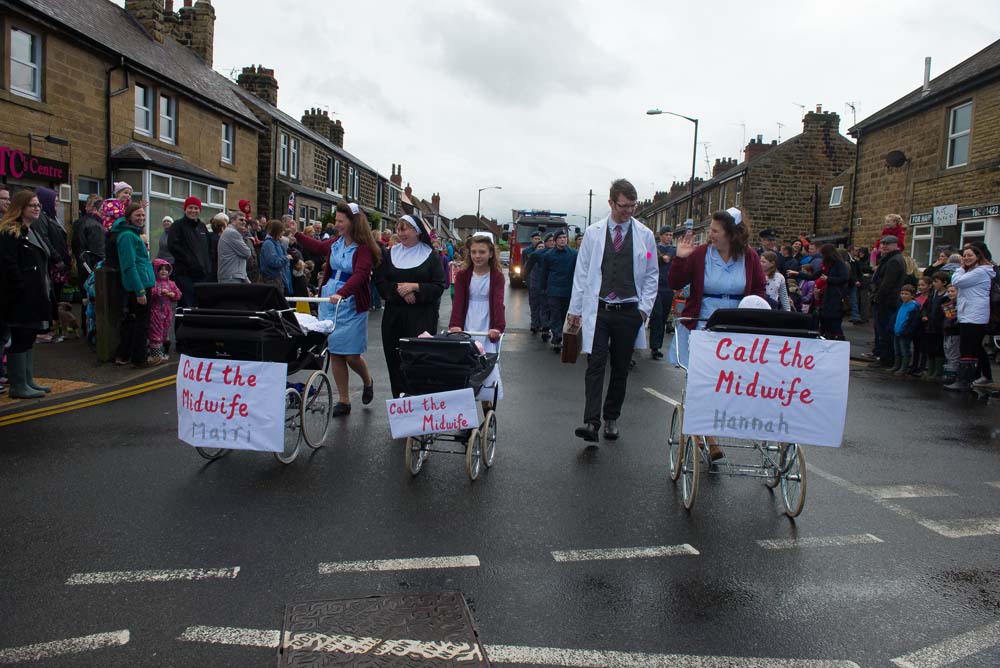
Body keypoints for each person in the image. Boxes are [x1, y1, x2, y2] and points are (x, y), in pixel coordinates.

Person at [668, 207, 766, 459]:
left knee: (730, 383)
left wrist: (755, 317)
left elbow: (758, 290)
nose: (710, 234)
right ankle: (709, 435)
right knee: (703, 381)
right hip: (703, 323)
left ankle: (711, 427)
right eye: (710, 230)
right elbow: (674, 283)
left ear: (732, 234)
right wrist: (680, 258)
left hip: (736, 326)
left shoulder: (750, 257)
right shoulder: (700, 254)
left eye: (715, 231)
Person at [567, 179, 658, 443]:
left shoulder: (645, 236)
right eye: (623, 206)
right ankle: (591, 422)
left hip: (629, 310)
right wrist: (575, 310)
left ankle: (611, 418)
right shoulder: (594, 234)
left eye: (633, 206)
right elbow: (582, 273)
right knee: (595, 364)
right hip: (600, 308)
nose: (629, 211)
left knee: (620, 367)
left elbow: (652, 274)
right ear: (610, 203)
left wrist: (643, 310)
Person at [297, 202, 380, 415]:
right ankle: (344, 400)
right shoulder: (335, 243)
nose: (336, 225)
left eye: (340, 221)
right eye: (336, 221)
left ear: (353, 223)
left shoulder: (363, 249)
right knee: (335, 352)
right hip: (330, 301)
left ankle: (367, 380)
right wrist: (297, 235)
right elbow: (317, 247)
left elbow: (361, 275)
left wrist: (342, 293)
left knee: (351, 355)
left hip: (350, 302)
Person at [374, 213, 447, 398]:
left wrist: (415, 287)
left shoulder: (430, 255)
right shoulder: (391, 254)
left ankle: (419, 405)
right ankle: (400, 404)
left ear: (416, 231)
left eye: (404, 228)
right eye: (398, 229)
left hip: (421, 317)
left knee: (419, 362)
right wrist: (401, 291)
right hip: (394, 317)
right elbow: (380, 282)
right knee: (395, 361)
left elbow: (439, 285)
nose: (400, 233)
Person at [0, 190, 52, 398]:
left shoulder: (30, 231)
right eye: (32, 205)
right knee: (20, 337)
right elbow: (8, 264)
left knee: (29, 336)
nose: (37, 208)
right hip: (20, 296)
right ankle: (18, 385)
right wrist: (21, 286)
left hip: (34, 293)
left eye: (38, 205)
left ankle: (28, 380)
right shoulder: (9, 232)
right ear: (20, 208)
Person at [449, 232, 506, 411]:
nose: (477, 256)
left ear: (490, 253)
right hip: (467, 320)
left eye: (482, 252)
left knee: (485, 365)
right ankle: (465, 415)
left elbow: (498, 302)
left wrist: (497, 327)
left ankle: (487, 408)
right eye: (474, 252)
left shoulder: (496, 276)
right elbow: (458, 301)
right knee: (465, 366)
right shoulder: (464, 275)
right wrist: (455, 324)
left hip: (487, 323)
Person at [112, 203, 159, 368]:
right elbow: (129, 265)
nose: (141, 218)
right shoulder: (127, 236)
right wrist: (140, 291)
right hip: (138, 285)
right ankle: (140, 358)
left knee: (134, 322)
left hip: (141, 282)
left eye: (143, 215)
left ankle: (126, 355)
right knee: (141, 323)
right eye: (137, 215)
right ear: (129, 217)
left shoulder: (133, 234)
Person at [945, 244, 995, 390]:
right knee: (975, 347)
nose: (966, 258)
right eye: (965, 256)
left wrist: (960, 268)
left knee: (968, 348)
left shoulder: (980, 272)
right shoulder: (973, 271)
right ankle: (982, 376)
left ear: (978, 257)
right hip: (968, 314)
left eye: (970, 255)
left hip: (975, 315)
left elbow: (957, 281)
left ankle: (964, 381)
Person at [34, 187, 71, 343]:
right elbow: (45, 240)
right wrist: (57, 258)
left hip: (58, 265)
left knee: (55, 297)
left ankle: (54, 328)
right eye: (54, 202)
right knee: (50, 297)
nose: (57, 205)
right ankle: (46, 330)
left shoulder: (51, 217)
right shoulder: (42, 218)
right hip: (53, 265)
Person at [168, 196, 214, 307]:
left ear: (200, 210)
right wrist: (189, 261)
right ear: (185, 209)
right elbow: (173, 246)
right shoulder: (177, 226)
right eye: (190, 207)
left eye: (196, 208)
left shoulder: (202, 227)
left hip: (202, 276)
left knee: (200, 306)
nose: (193, 211)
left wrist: (208, 268)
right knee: (186, 306)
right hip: (185, 275)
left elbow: (209, 248)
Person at [869, 235, 907, 368]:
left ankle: (886, 360)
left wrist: (877, 297)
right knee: (882, 331)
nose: (884, 246)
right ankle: (883, 357)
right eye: (882, 243)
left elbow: (887, 284)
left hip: (887, 301)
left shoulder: (894, 261)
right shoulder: (889, 259)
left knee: (885, 332)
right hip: (885, 300)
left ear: (896, 245)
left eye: (888, 244)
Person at [539, 229, 578, 353]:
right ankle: (557, 336)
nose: (563, 240)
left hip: (568, 289)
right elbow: (543, 273)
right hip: (553, 290)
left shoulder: (574, 254)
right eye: (560, 238)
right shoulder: (548, 255)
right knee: (555, 313)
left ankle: (561, 333)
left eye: (564, 237)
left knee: (564, 314)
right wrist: (543, 288)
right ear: (555, 241)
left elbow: (579, 272)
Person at [648, 226, 676, 358]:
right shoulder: (654, 249)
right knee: (657, 316)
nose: (669, 237)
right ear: (661, 236)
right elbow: (647, 257)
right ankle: (654, 347)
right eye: (667, 235)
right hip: (656, 288)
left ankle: (658, 345)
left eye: (671, 235)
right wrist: (660, 258)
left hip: (669, 288)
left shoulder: (674, 250)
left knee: (664, 318)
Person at [148, 258, 181, 361]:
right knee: (155, 332)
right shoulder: (153, 283)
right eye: (160, 269)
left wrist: (173, 294)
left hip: (167, 312)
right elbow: (150, 292)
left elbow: (178, 294)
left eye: (166, 269)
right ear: (155, 271)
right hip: (155, 311)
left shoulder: (171, 283)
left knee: (165, 332)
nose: (163, 271)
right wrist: (159, 291)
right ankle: (155, 355)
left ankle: (162, 352)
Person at [920, 271, 949, 381]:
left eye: (936, 281)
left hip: (939, 328)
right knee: (930, 349)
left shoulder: (946, 297)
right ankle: (930, 370)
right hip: (930, 326)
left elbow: (947, 314)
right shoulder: (932, 295)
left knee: (938, 350)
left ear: (944, 283)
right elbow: (925, 308)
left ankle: (937, 372)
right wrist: (924, 316)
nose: (934, 284)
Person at [816, 244, 848, 339]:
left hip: (836, 296)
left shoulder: (840, 264)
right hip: (828, 295)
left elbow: (844, 278)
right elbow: (816, 275)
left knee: (834, 321)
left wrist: (828, 279)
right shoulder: (829, 265)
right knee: (826, 320)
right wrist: (798, 273)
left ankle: (839, 339)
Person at [890, 284, 920, 375]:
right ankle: (896, 365)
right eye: (902, 293)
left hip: (905, 333)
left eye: (906, 294)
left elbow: (912, 322)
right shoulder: (901, 304)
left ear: (912, 295)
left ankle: (904, 368)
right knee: (897, 350)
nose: (903, 296)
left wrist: (906, 331)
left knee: (904, 350)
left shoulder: (913, 307)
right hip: (897, 330)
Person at [259, 219, 292, 296]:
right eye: (281, 231)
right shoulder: (269, 244)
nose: (283, 233)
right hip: (271, 279)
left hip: (277, 278)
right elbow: (273, 261)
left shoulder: (276, 242)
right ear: (277, 231)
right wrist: (286, 258)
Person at [217, 212, 252, 284]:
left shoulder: (232, 232)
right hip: (231, 277)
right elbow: (247, 253)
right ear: (232, 221)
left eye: (245, 220)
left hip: (233, 276)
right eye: (241, 220)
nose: (244, 222)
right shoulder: (232, 233)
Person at [524, 237, 548, 336]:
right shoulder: (532, 258)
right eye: (539, 247)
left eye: (543, 247)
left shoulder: (547, 259)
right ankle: (535, 324)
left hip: (544, 287)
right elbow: (526, 271)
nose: (541, 248)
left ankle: (543, 324)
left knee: (544, 307)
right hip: (533, 285)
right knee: (534, 306)